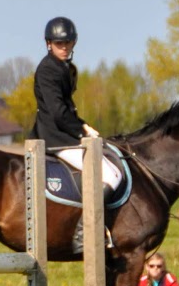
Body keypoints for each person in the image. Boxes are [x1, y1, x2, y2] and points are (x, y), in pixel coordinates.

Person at [28, 16, 123, 252]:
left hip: (62, 133)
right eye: (60, 44)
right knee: (111, 176)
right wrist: (82, 129)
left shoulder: (63, 68)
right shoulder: (48, 69)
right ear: (49, 44)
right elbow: (59, 113)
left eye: (68, 43)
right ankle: (84, 232)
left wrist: (84, 126)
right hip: (55, 138)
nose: (65, 48)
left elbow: (66, 109)